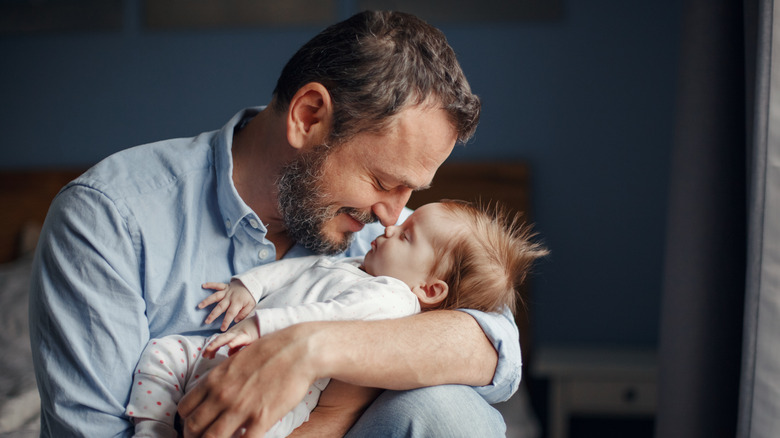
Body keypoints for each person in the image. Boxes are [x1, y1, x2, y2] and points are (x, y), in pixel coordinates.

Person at [29, 10, 521, 437]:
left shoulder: (395, 240)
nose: (394, 215)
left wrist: (311, 347)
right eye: (382, 181)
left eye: (411, 192)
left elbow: (495, 345)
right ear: (308, 117)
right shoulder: (108, 219)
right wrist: (342, 405)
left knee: (450, 413)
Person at [126, 201, 548, 437]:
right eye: (384, 181)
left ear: (431, 290)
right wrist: (250, 288)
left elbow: (326, 318)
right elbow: (294, 271)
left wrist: (271, 331)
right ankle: (153, 428)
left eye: (405, 234)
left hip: (287, 394)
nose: (389, 220)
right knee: (163, 353)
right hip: (223, 352)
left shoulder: (390, 298)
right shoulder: (355, 261)